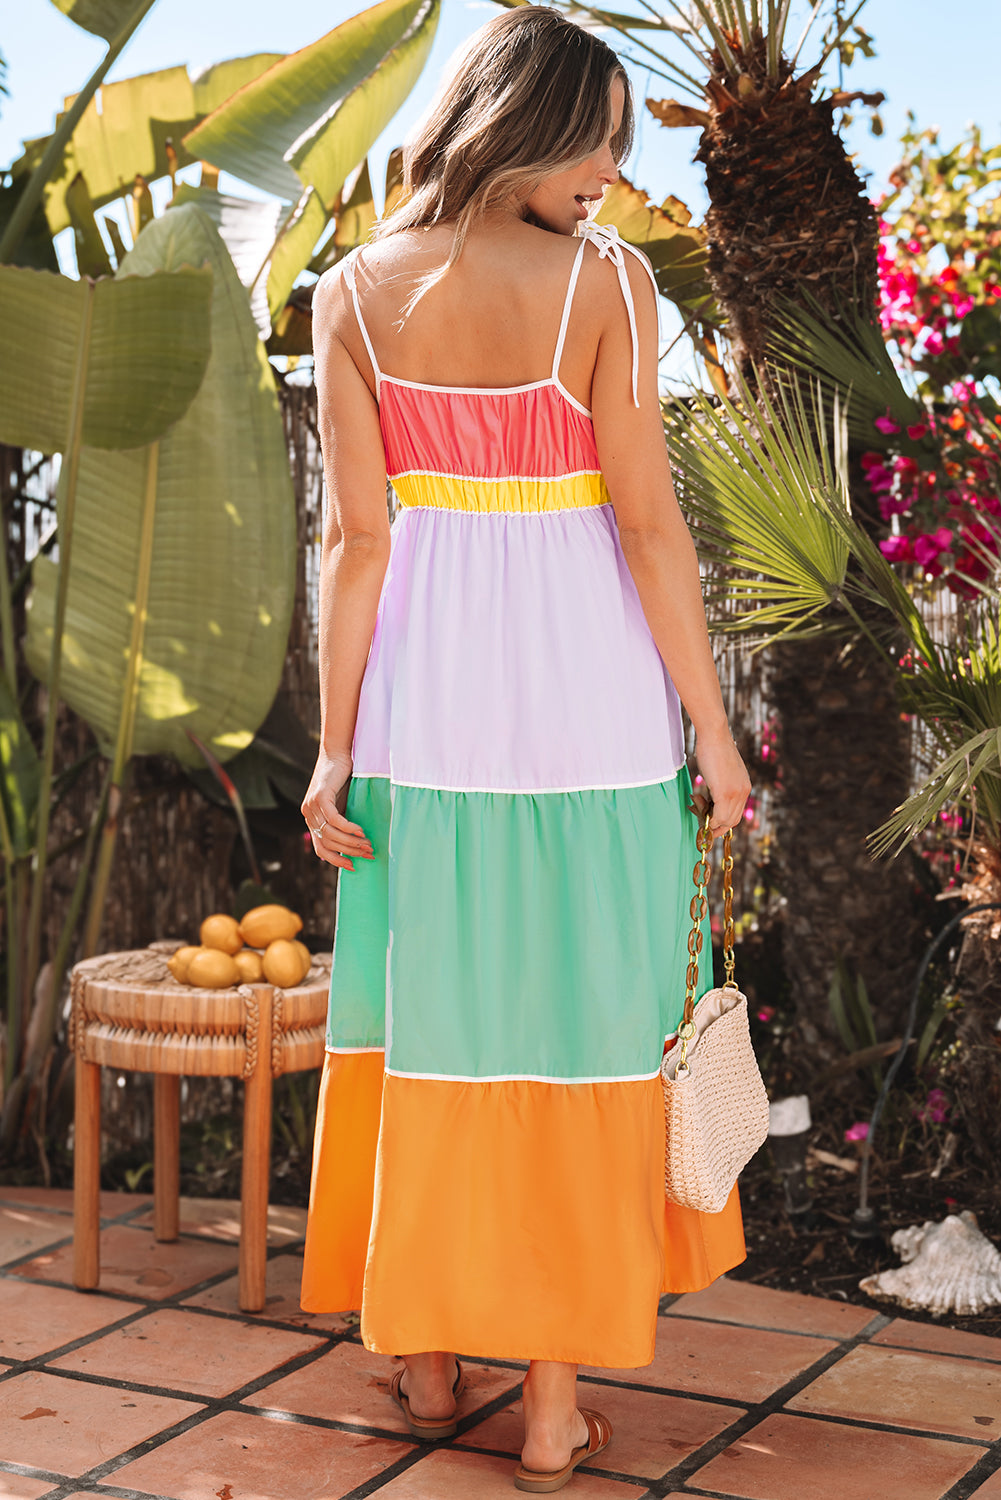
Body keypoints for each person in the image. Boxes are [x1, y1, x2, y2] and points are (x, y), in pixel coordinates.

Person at [299, 7, 751, 1491]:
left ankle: (429, 1362)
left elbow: (357, 542)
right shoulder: (607, 284)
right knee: (580, 1023)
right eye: (595, 140)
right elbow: (648, 524)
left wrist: (332, 749)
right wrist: (711, 730)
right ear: (523, 126)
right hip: (588, 712)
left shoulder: (351, 293)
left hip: (423, 711)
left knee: (435, 1014)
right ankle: (552, 1413)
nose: (612, 171)